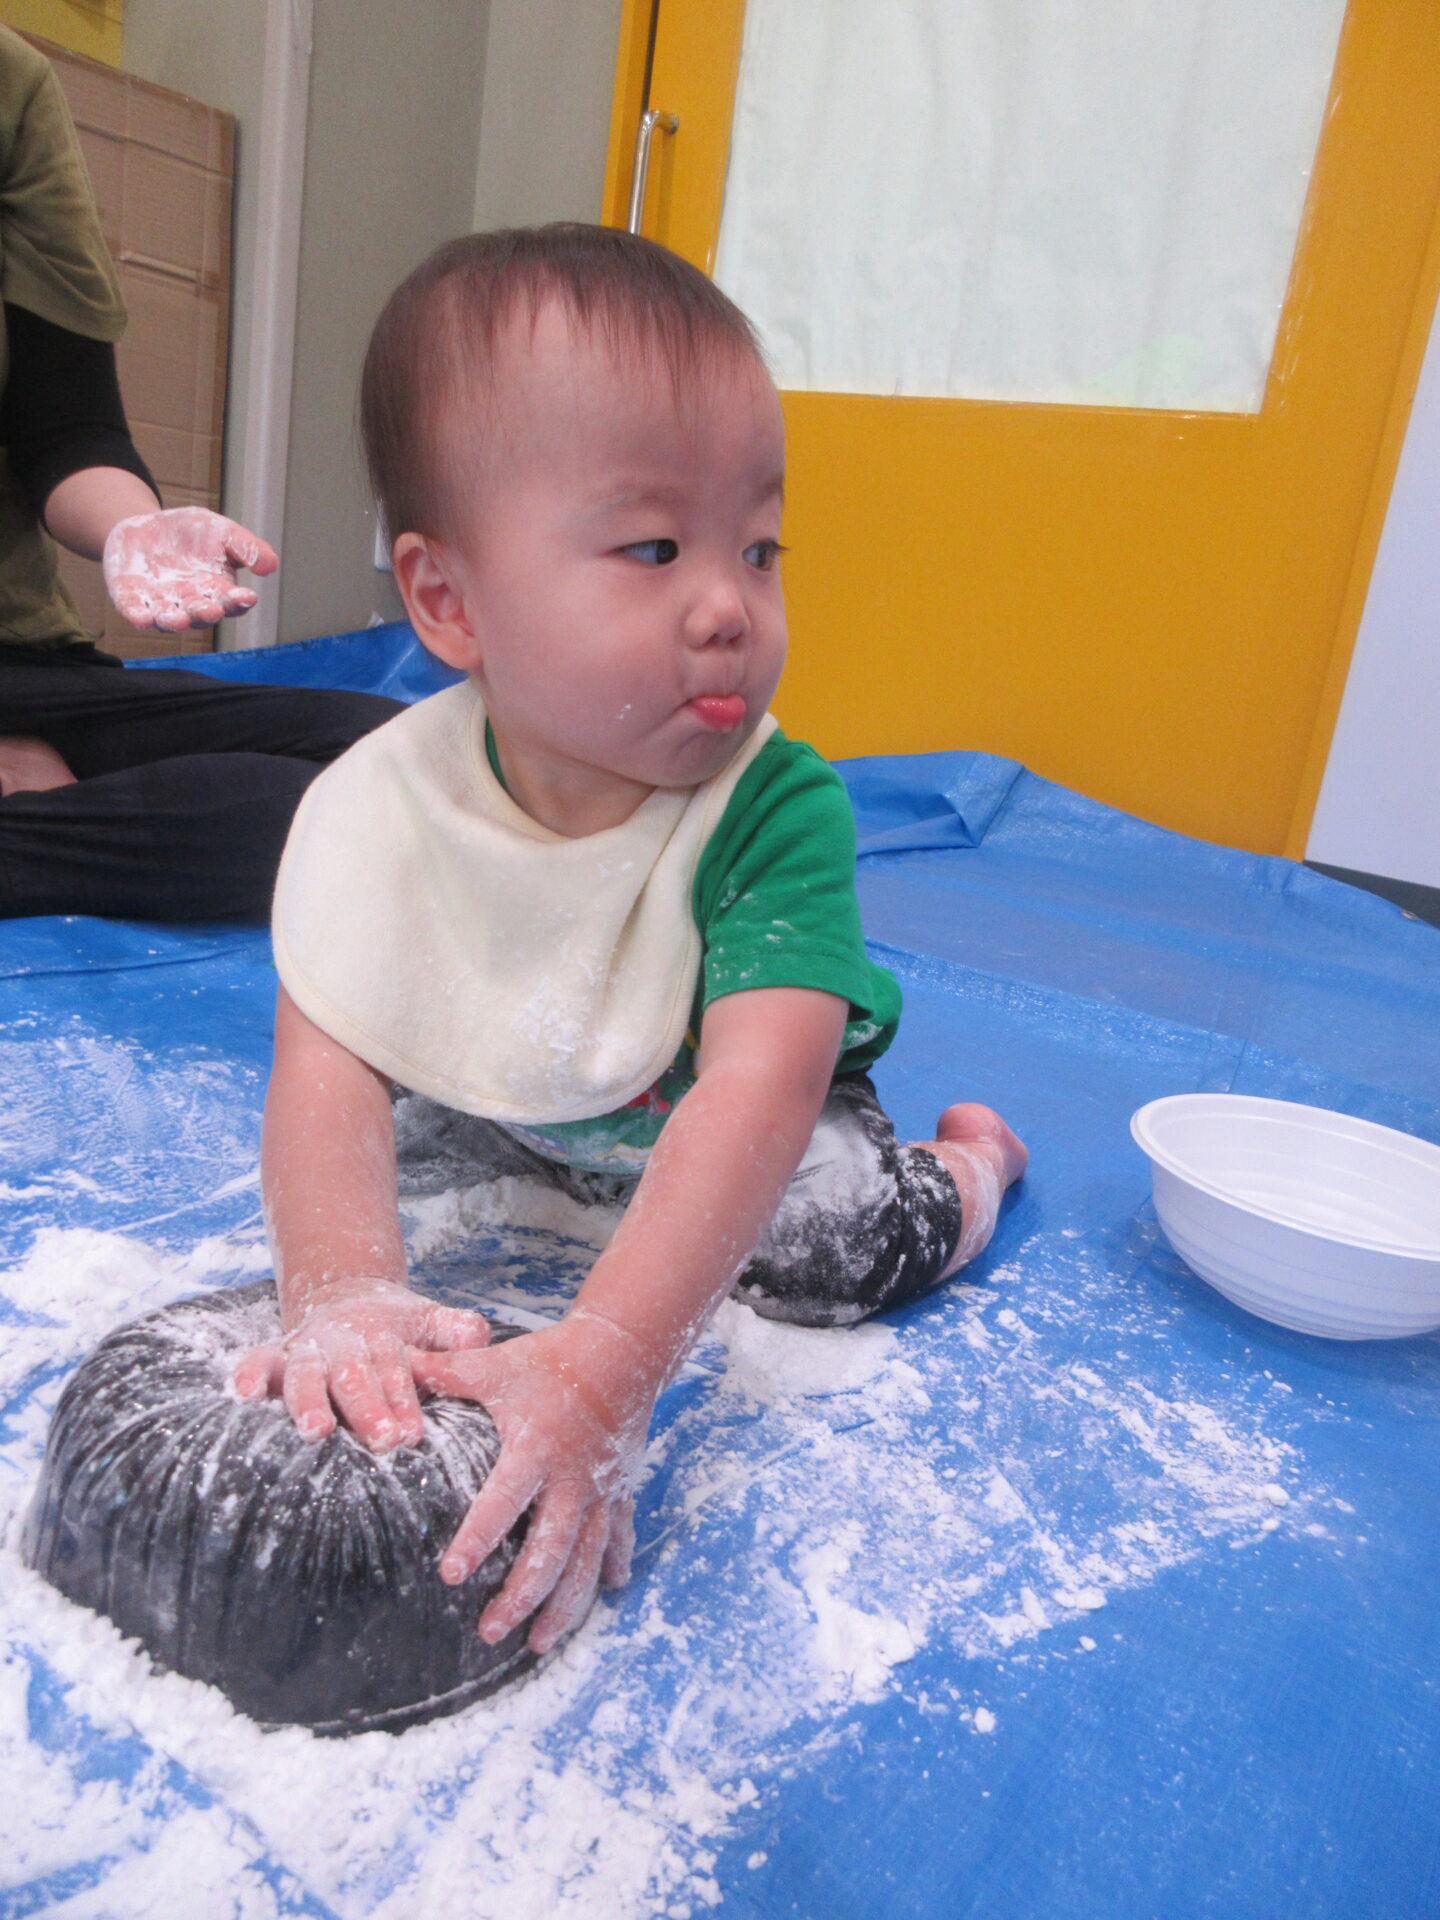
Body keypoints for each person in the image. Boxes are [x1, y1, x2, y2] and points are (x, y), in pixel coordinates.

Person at [236, 225, 1028, 1658]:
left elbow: (759, 1093)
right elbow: (329, 1065)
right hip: (522, 1086)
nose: (728, 607)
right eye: (654, 548)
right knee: (402, 1187)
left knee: (831, 1245)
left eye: (758, 548)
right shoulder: (384, 808)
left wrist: (605, 1365)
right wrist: (343, 1290)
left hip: (723, 1108)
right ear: (448, 601)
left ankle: (975, 1165)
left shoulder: (772, 809)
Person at [0, 27, 400, 922]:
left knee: (395, 766)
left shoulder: (11, 86)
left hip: (25, 670)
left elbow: (66, 428)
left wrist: (133, 528)